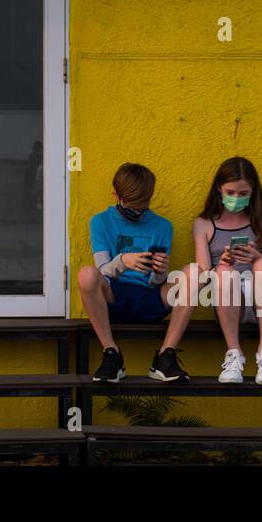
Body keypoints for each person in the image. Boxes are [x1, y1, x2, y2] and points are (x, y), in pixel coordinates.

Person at [158, 156, 262, 387]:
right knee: (223, 271)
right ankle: (233, 353)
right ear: (219, 189)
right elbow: (203, 272)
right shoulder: (204, 224)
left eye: (243, 193)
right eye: (230, 192)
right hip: (228, 301)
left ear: (253, 192)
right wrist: (224, 262)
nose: (236, 198)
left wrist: (257, 257)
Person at [76, 163, 173, 383]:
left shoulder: (163, 226)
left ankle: (166, 356)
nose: (138, 211)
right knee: (86, 274)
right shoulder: (100, 221)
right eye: (133, 205)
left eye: (143, 205)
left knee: (191, 275)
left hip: (149, 296)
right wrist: (123, 261)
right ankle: (111, 353)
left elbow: (155, 282)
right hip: (113, 296)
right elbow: (102, 271)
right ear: (116, 195)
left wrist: (160, 272)